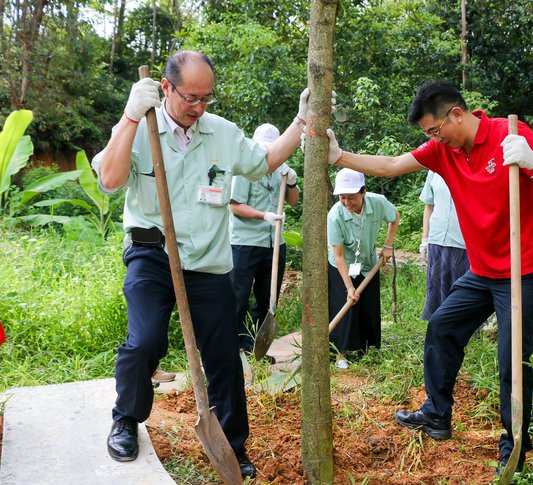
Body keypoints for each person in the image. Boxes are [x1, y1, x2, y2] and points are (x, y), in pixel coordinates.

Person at [324, 80, 533, 473]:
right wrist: (339, 157)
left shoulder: (510, 134)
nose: (433, 139)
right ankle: (437, 413)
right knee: (441, 326)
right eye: (429, 134)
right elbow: (391, 165)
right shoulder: (443, 150)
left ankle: (514, 448)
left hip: (524, 269)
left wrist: (531, 161)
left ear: (457, 114)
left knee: (512, 358)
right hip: (484, 269)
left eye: (435, 130)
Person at [92, 50, 311, 479]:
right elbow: (110, 180)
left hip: (208, 263)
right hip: (152, 256)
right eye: (190, 97)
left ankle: (232, 444)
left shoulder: (222, 133)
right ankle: (126, 419)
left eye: (206, 98)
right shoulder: (141, 126)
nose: (198, 107)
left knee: (224, 356)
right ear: (166, 88)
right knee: (145, 341)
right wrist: (130, 116)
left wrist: (301, 122)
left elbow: (265, 161)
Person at [229, 123, 299, 357]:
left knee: (267, 298)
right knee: (238, 296)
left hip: (274, 243)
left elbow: (293, 201)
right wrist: (263, 215)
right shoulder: (244, 170)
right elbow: (235, 206)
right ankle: (233, 346)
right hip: (245, 242)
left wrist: (291, 183)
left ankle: (254, 347)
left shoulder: (281, 170)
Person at [327, 168, 400, 369]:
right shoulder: (335, 216)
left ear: (363, 192)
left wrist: (388, 245)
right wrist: (349, 287)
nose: (347, 202)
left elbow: (394, 217)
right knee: (345, 306)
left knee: (369, 304)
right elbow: (339, 255)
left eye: (352, 197)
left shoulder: (378, 203)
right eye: (342, 197)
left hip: (368, 263)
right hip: (342, 265)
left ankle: (368, 349)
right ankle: (340, 354)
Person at [419, 170, 470, 320]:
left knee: (463, 293)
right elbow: (429, 206)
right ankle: (438, 327)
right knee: (437, 290)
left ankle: (463, 330)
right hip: (437, 239)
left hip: (463, 242)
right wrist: (425, 239)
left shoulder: (471, 168)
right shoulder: (434, 170)